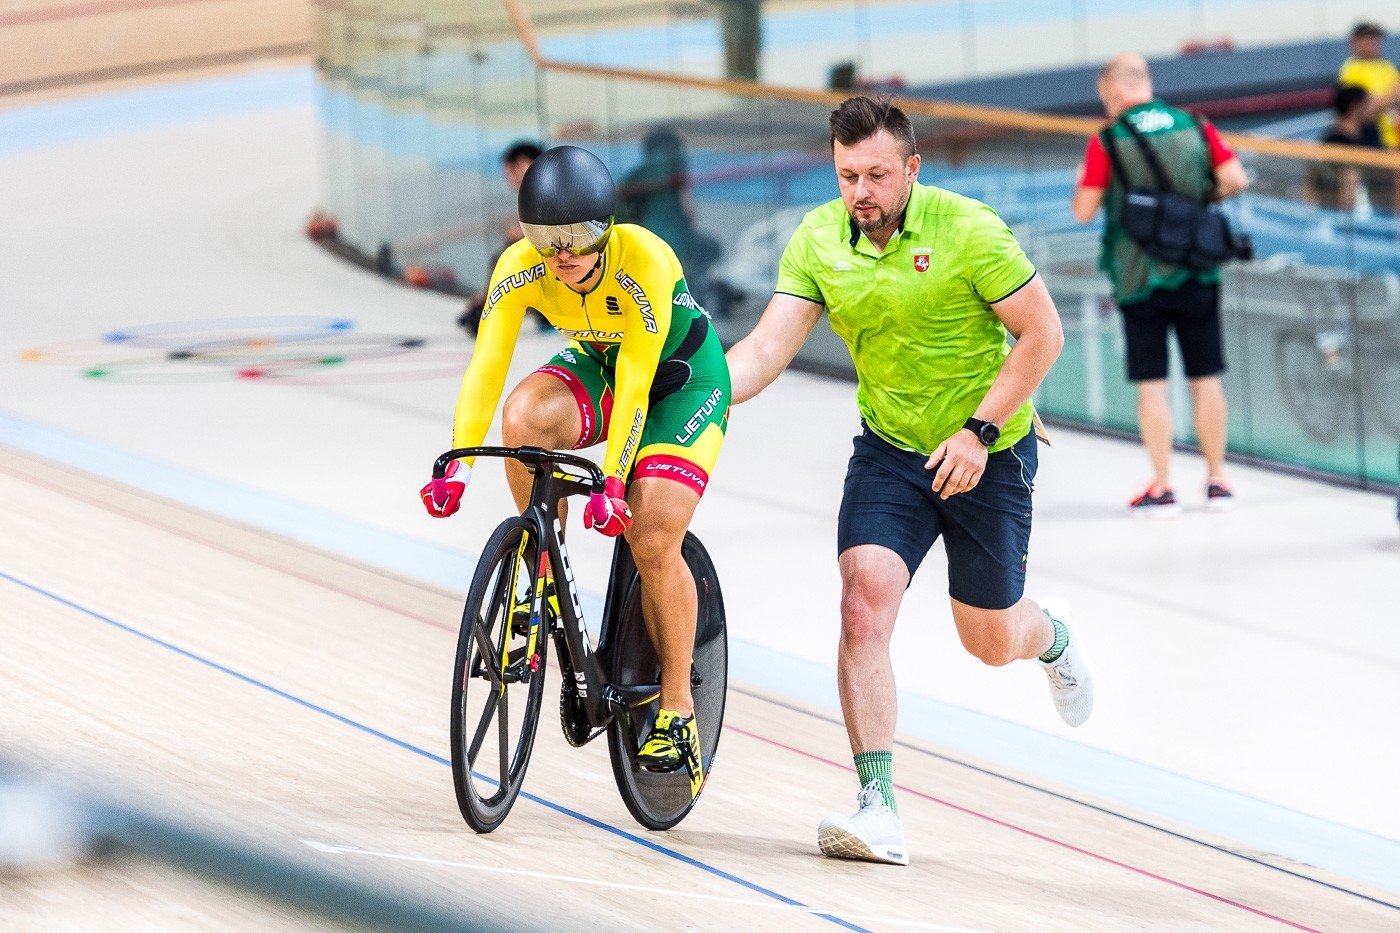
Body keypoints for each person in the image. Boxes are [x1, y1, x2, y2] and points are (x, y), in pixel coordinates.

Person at [725, 96, 1092, 866]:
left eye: (877, 175)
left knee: (990, 639)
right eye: (847, 176)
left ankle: (1051, 634)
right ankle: (878, 805)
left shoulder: (970, 229)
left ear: (912, 169)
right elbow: (763, 350)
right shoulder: (819, 239)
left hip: (989, 450)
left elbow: (1043, 332)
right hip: (890, 450)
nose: (861, 192)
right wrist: (698, 395)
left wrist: (979, 431)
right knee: (862, 601)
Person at [422, 145, 730, 785]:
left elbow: (639, 382)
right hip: (601, 362)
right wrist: (459, 464)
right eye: (545, 239)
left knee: (651, 536)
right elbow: (487, 364)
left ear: (607, 228)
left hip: (681, 380)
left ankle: (677, 709)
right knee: (523, 418)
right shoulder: (518, 267)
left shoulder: (644, 260)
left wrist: (614, 482)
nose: (562, 255)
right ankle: (541, 569)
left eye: (579, 237)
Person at [1070, 54, 1249, 516]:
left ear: (1113, 90)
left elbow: (1084, 210)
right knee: (1205, 377)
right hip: (1196, 268)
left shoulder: (1108, 139)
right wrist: (1192, 201)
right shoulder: (1194, 125)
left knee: (1152, 386)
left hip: (1138, 275)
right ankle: (1217, 482)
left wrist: (1084, 184)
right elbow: (1235, 179)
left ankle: (1164, 488)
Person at [617, 129, 721, 314]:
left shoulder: (639, 173)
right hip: (675, 242)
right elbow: (688, 206)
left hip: (646, 242)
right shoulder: (675, 164)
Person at [458, 141, 545, 336]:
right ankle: (486, 305)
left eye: (508, 173)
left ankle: (488, 308)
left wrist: (522, 234)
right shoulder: (537, 190)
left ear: (522, 164)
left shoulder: (545, 188)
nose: (508, 180)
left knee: (505, 256)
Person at [1306, 85, 1371, 211]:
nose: (1372, 109)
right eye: (1367, 105)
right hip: (1343, 216)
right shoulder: (1345, 147)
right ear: (1354, 107)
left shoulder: (1328, 141)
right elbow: (1349, 190)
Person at [1338, 22, 1398, 150]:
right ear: (1355, 41)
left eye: (1375, 37)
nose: (1373, 41)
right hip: (1373, 140)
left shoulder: (1387, 66)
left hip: (1395, 138)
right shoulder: (1351, 69)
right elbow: (1365, 109)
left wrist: (1383, 100)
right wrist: (1391, 98)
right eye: (1368, 37)